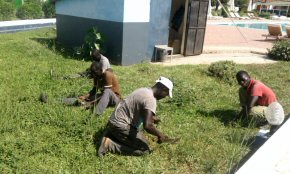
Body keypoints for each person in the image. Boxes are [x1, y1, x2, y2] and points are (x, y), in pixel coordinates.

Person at [97, 76, 179, 156]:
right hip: (120, 125)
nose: (164, 97)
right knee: (144, 150)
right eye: (166, 94)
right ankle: (109, 145)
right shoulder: (151, 99)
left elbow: (138, 109)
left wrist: (152, 117)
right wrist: (160, 135)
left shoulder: (143, 90)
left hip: (114, 121)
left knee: (140, 135)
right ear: (163, 90)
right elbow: (148, 126)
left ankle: (110, 133)